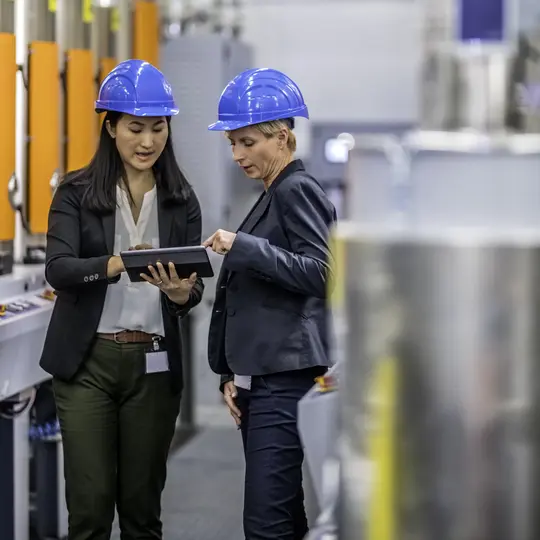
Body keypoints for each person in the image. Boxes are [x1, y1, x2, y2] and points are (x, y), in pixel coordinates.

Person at [39, 59, 204, 540]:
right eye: (135, 128)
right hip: (87, 363)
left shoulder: (181, 199)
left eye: (158, 128)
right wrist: (114, 263)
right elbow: (59, 269)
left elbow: (189, 288)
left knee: (141, 513)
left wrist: (180, 294)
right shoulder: (75, 192)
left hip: (152, 365)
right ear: (110, 127)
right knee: (89, 513)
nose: (148, 141)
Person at [205, 67, 337, 540]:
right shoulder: (271, 194)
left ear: (281, 138)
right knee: (283, 515)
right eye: (232, 144)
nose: (237, 155)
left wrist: (244, 246)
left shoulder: (296, 190)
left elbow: (322, 273)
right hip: (262, 380)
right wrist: (231, 375)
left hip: (285, 380)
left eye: (246, 143)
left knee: (267, 524)